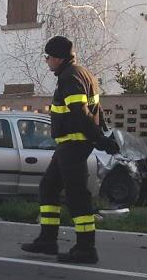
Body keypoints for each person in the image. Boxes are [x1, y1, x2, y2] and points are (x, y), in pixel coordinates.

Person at [21, 36, 119, 264]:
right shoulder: (83, 74)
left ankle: (86, 248)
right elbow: (96, 109)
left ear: (57, 58)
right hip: (69, 145)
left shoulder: (70, 78)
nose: (46, 62)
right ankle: (47, 240)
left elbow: (81, 114)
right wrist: (101, 134)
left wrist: (100, 140)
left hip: (74, 145)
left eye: (48, 57)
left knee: (77, 196)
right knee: (48, 186)